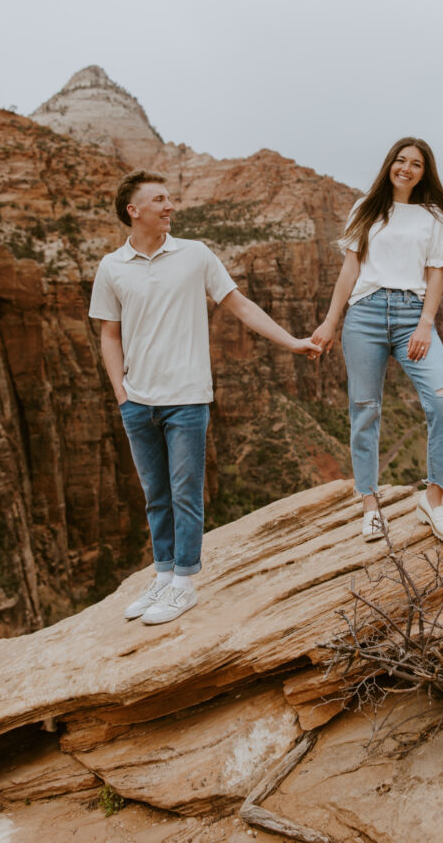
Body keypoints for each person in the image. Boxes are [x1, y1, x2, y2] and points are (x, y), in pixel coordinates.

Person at [89, 170, 321, 625]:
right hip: (138, 401)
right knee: (155, 494)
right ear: (133, 211)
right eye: (159, 200)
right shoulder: (111, 266)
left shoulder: (196, 255)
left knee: (185, 492)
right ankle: (162, 574)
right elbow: (108, 333)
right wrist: (121, 391)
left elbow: (240, 305)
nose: (170, 206)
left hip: (187, 399)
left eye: (170, 198)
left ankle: (183, 584)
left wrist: (291, 342)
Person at [311, 137, 443, 544]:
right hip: (366, 314)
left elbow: (436, 275)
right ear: (389, 164)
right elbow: (350, 269)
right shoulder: (367, 208)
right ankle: (370, 505)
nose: (406, 168)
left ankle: (434, 501)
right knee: (364, 409)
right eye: (400, 160)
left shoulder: (436, 217)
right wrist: (330, 322)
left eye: (416, 163)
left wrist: (426, 323)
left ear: (424, 172)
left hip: (414, 314)